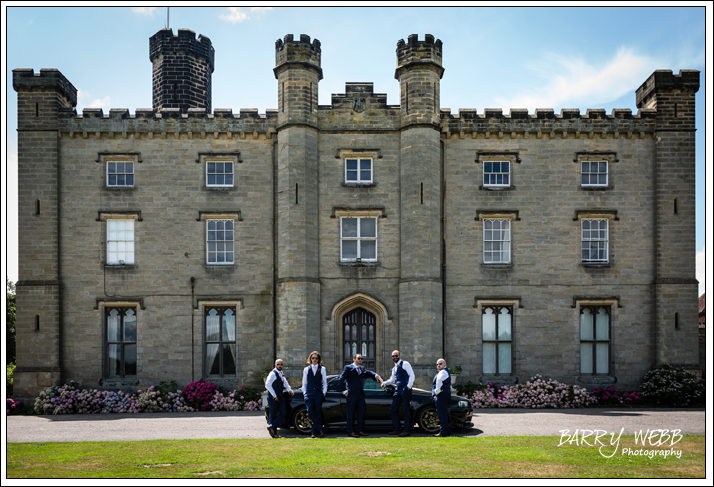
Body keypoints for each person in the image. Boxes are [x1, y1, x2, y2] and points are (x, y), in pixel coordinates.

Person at [338, 353, 383, 437]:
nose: (360, 360)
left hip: (360, 394)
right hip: (351, 394)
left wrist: (376, 375)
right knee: (350, 413)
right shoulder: (348, 368)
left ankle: (359, 430)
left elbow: (368, 372)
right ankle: (350, 431)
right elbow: (341, 379)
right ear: (354, 359)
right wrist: (344, 390)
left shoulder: (361, 368)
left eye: (361, 358)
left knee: (361, 412)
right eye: (359, 358)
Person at [381, 349, 415, 436]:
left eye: (396, 355)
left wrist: (408, 386)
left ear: (399, 356)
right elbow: (392, 380)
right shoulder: (394, 368)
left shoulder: (405, 364)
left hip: (405, 388)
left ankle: (406, 430)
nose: (395, 357)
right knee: (393, 408)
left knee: (406, 409)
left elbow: (412, 375)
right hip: (398, 389)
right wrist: (385, 382)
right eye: (393, 356)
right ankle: (397, 429)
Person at [265, 358, 294, 438]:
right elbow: (267, 384)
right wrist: (274, 395)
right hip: (273, 397)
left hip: (280, 396)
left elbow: (285, 383)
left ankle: (272, 426)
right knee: (273, 414)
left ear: (283, 365)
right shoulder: (273, 373)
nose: (280, 365)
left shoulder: (281, 373)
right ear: (275, 365)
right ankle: (274, 433)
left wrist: (289, 390)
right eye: (278, 364)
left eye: (281, 364)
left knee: (283, 412)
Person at [302, 351, 327, 438]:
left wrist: (323, 393)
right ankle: (320, 429)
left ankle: (313, 432)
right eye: (313, 358)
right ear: (310, 359)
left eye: (316, 358)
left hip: (318, 393)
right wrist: (305, 393)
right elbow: (304, 383)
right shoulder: (306, 369)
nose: (314, 359)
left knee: (317, 412)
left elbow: (324, 382)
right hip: (309, 393)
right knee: (310, 410)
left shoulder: (322, 369)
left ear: (319, 359)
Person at [432, 358, 453, 437]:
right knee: (443, 413)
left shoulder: (443, 371)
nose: (439, 365)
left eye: (440, 364)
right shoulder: (443, 371)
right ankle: (447, 431)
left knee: (441, 414)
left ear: (445, 364)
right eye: (437, 364)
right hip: (444, 394)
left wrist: (436, 393)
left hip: (442, 395)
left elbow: (438, 381)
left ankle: (443, 432)